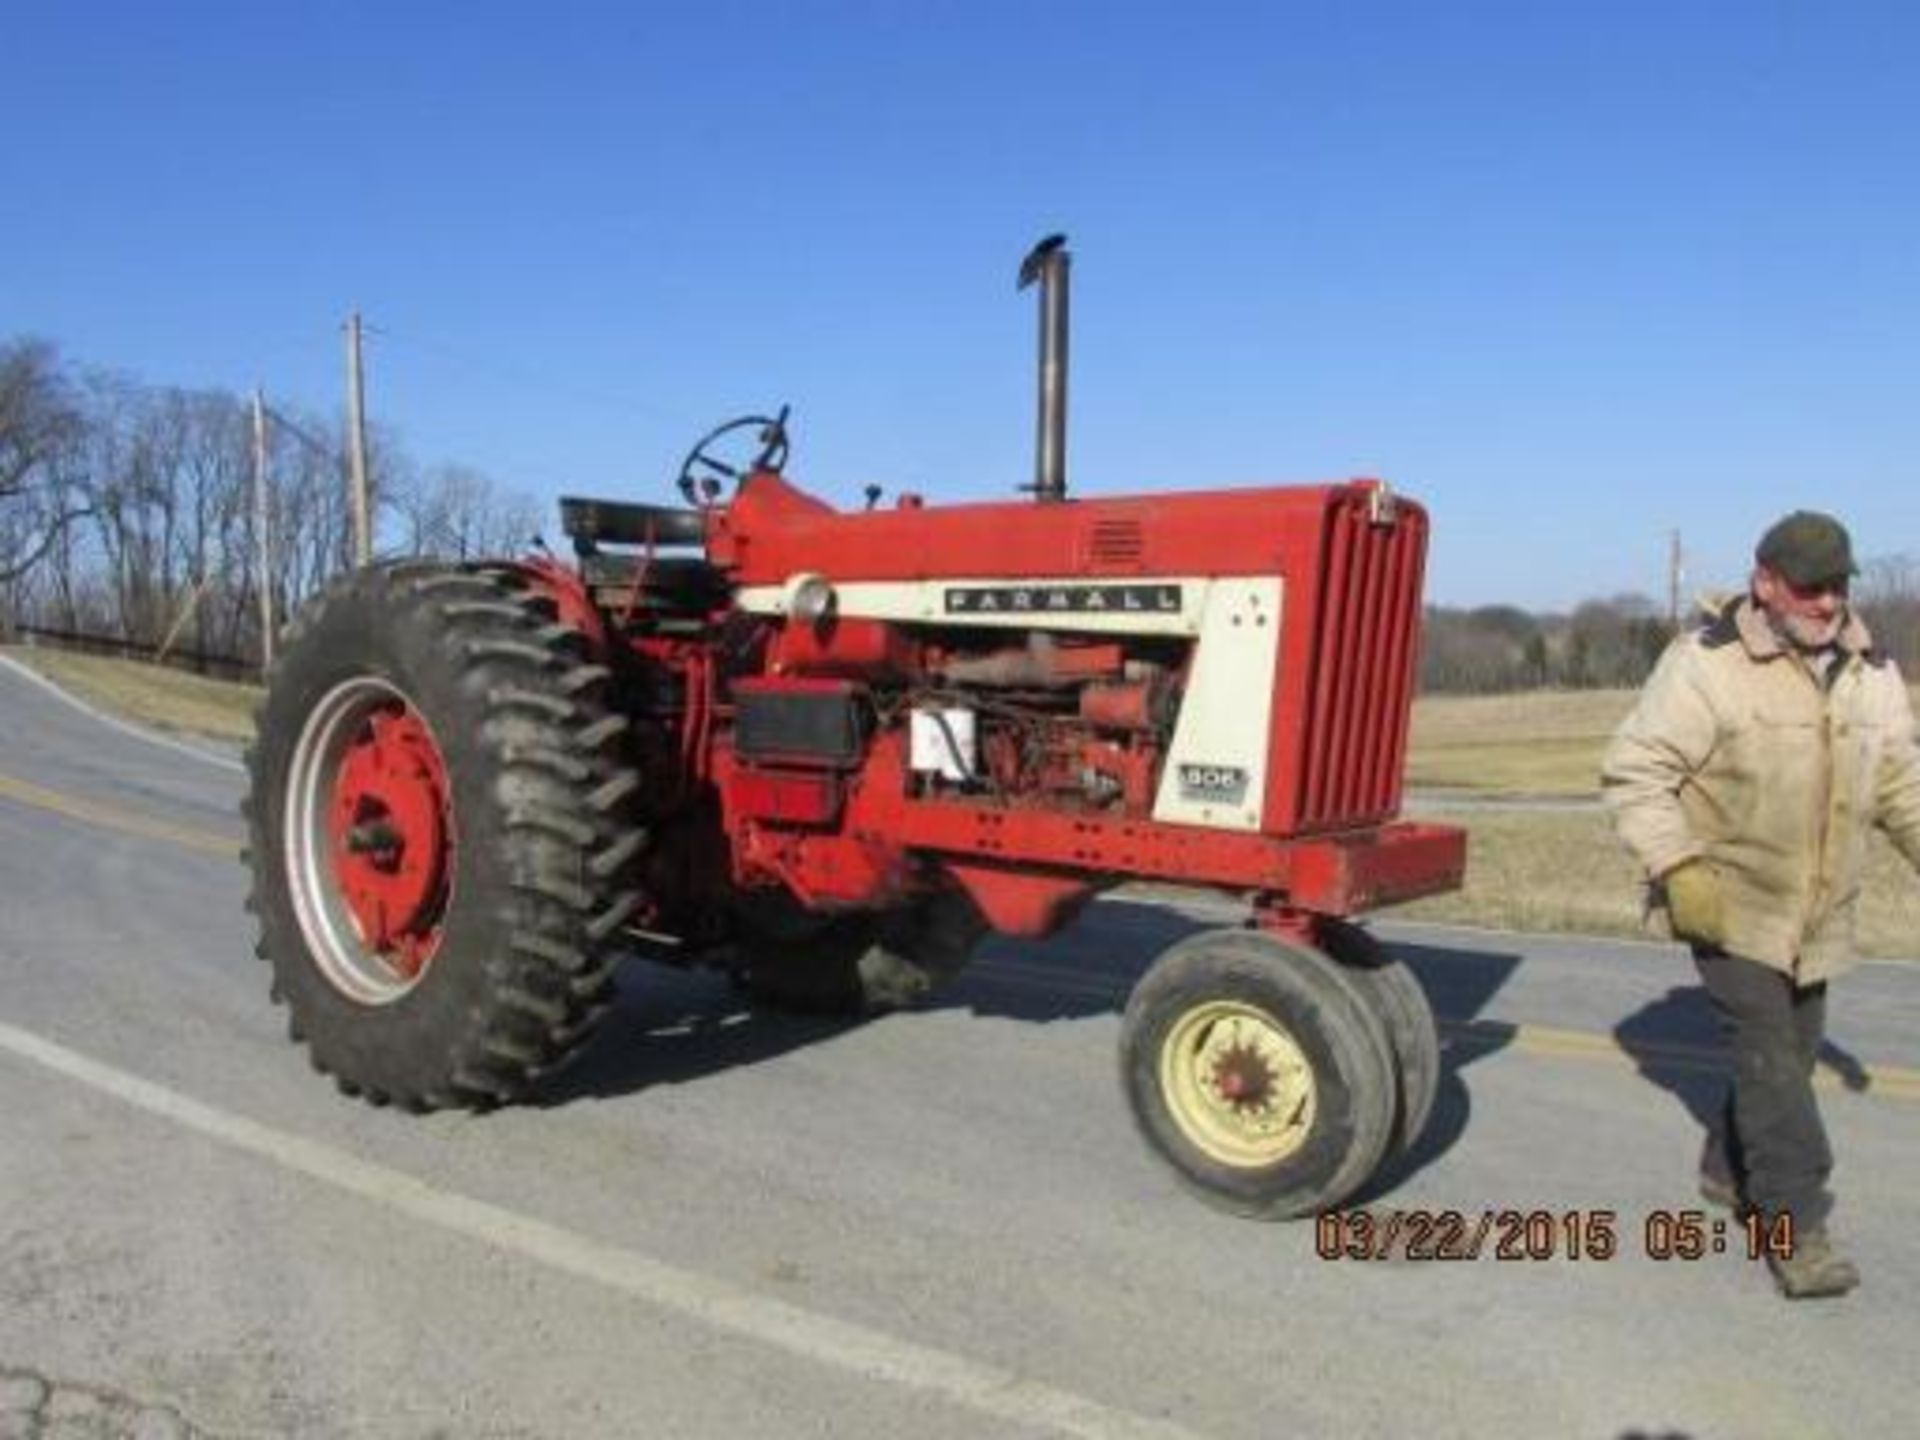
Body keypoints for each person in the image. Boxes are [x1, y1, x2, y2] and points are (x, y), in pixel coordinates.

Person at [1601, 510, 1920, 1299]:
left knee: (1795, 1052)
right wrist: (1677, 866)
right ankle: (1797, 1227)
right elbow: (1635, 769)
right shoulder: (1706, 665)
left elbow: (1900, 784)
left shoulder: (1871, 671)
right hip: (1730, 903)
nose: (1825, 603)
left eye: (1839, 586)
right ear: (1765, 582)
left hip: (1818, 912)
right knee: (1776, 1066)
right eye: (1809, 587)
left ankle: (1724, 1169)